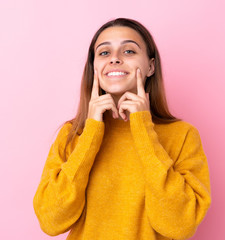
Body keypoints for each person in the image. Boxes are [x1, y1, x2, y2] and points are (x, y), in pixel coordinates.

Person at [33, 17, 212, 240]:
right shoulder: (72, 135)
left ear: (151, 66)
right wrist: (91, 133)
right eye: (104, 53)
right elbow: (51, 221)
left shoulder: (182, 135)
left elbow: (179, 225)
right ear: (94, 67)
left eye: (129, 51)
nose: (115, 59)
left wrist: (143, 129)